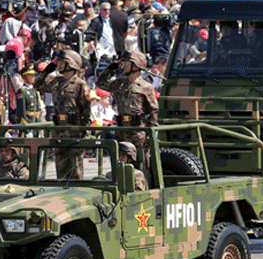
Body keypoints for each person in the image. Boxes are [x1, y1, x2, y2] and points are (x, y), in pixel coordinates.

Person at [35, 51, 92, 179]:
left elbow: (86, 113)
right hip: (59, 131)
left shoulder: (80, 84)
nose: (59, 64)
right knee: (60, 172)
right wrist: (50, 67)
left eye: (62, 61)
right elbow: (37, 85)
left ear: (71, 64)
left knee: (75, 172)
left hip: (74, 132)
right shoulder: (56, 82)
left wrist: (86, 135)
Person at [100, 51, 158, 175]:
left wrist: (150, 135)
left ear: (136, 66)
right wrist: (112, 67)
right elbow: (100, 83)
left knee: (139, 166)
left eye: (127, 63)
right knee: (120, 164)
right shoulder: (119, 83)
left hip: (138, 133)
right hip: (122, 130)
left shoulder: (146, 87)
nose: (124, 65)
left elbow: (153, 111)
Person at [14, 63, 44, 128]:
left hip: (36, 122)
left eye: (33, 75)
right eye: (30, 75)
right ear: (24, 77)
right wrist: (26, 130)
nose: (33, 77)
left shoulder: (35, 90)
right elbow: (21, 112)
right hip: (28, 123)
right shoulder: (22, 91)